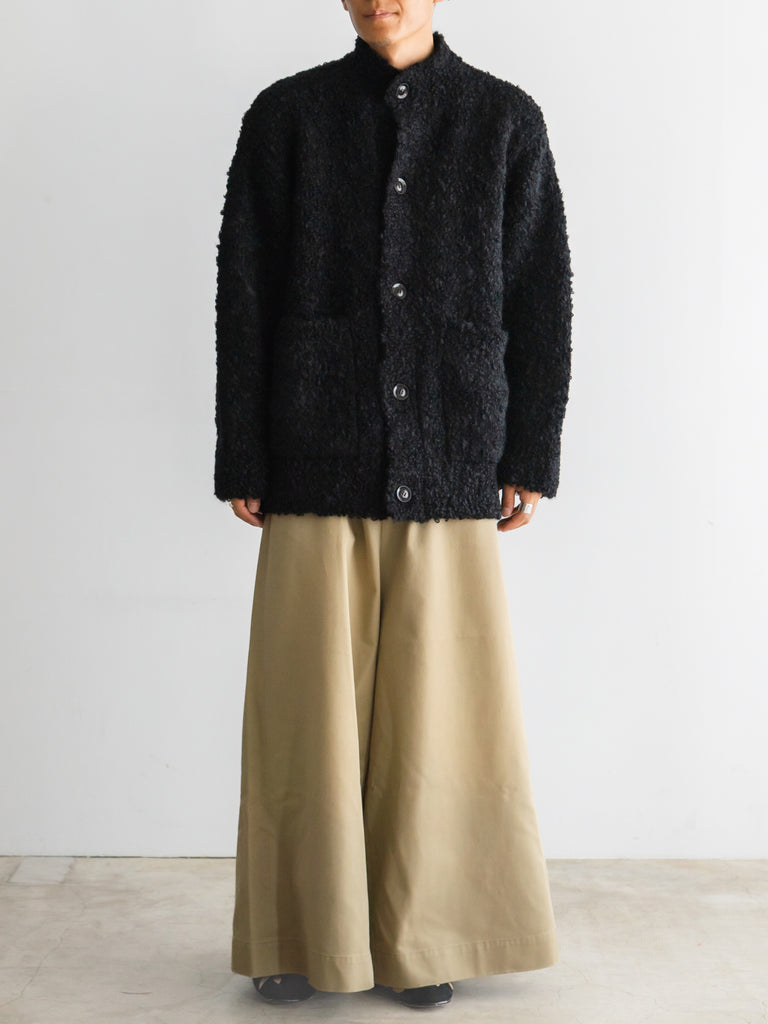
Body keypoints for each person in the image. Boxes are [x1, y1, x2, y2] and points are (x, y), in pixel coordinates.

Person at [213, 0, 573, 1011]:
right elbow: (244, 291)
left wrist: (530, 451)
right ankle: (297, 934)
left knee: (443, 722)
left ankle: (427, 937)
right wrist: (243, 449)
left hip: (452, 449)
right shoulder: (287, 116)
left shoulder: (503, 119)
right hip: (312, 451)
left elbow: (540, 293)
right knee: (302, 719)